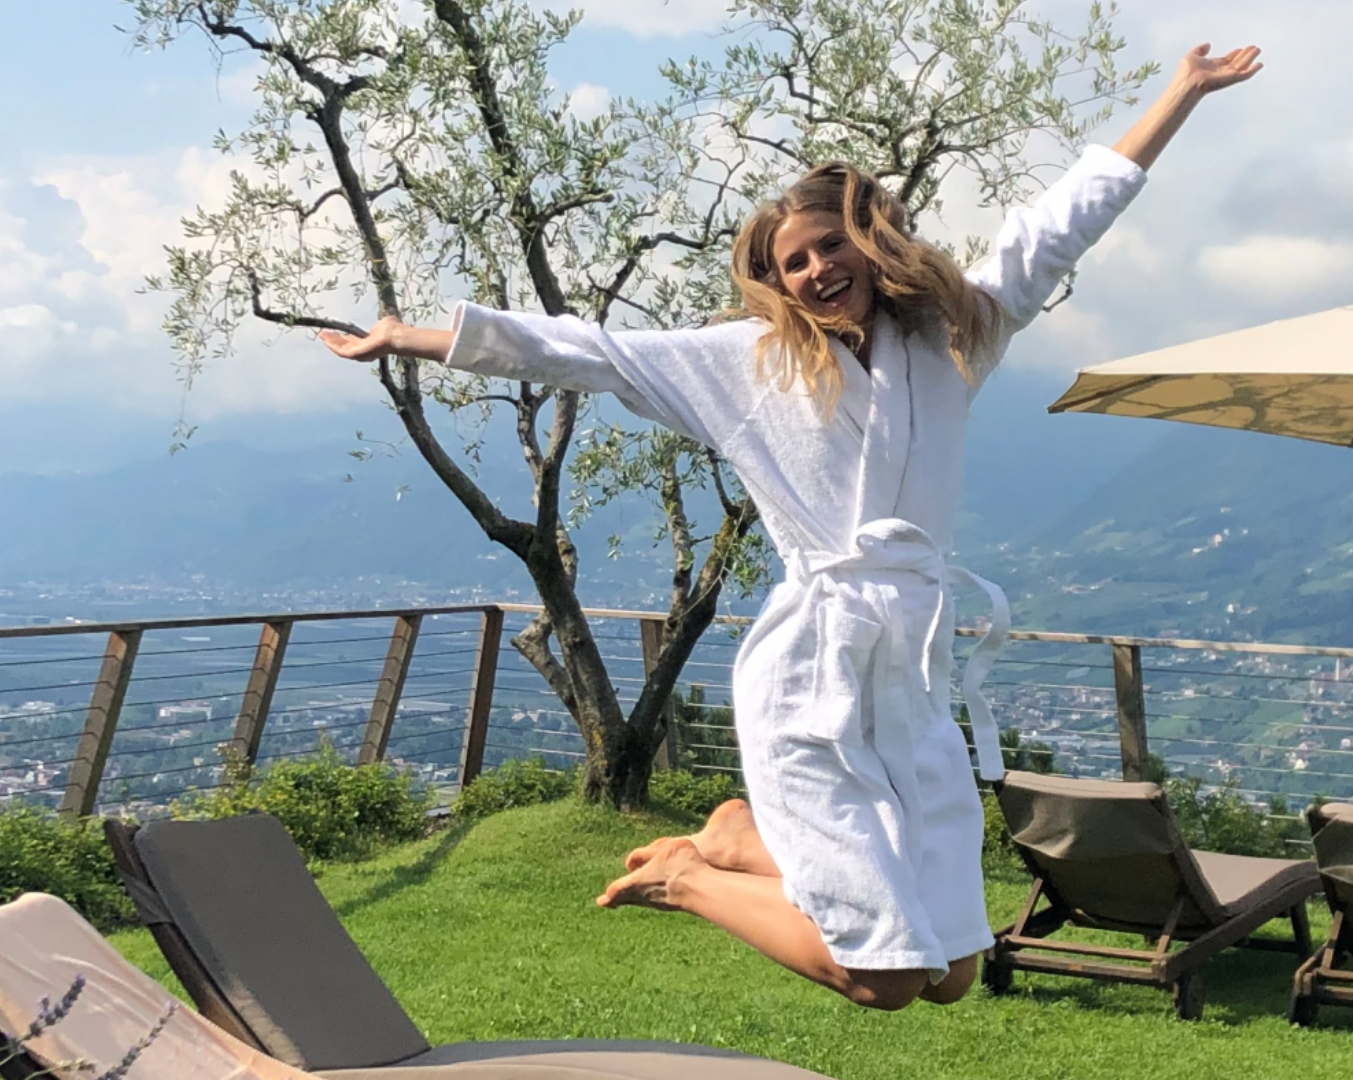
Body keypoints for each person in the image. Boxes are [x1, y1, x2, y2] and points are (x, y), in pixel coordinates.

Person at [320, 43, 1263, 1012]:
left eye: (827, 247)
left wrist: (1179, 93)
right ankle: (688, 877)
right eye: (792, 262)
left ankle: (737, 833)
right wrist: (420, 337)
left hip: (908, 673)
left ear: (868, 242)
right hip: (811, 664)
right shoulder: (749, 366)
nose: (815, 270)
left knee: (949, 974)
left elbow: (1055, 227)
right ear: (773, 282)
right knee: (881, 980)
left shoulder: (948, 341)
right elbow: (591, 352)